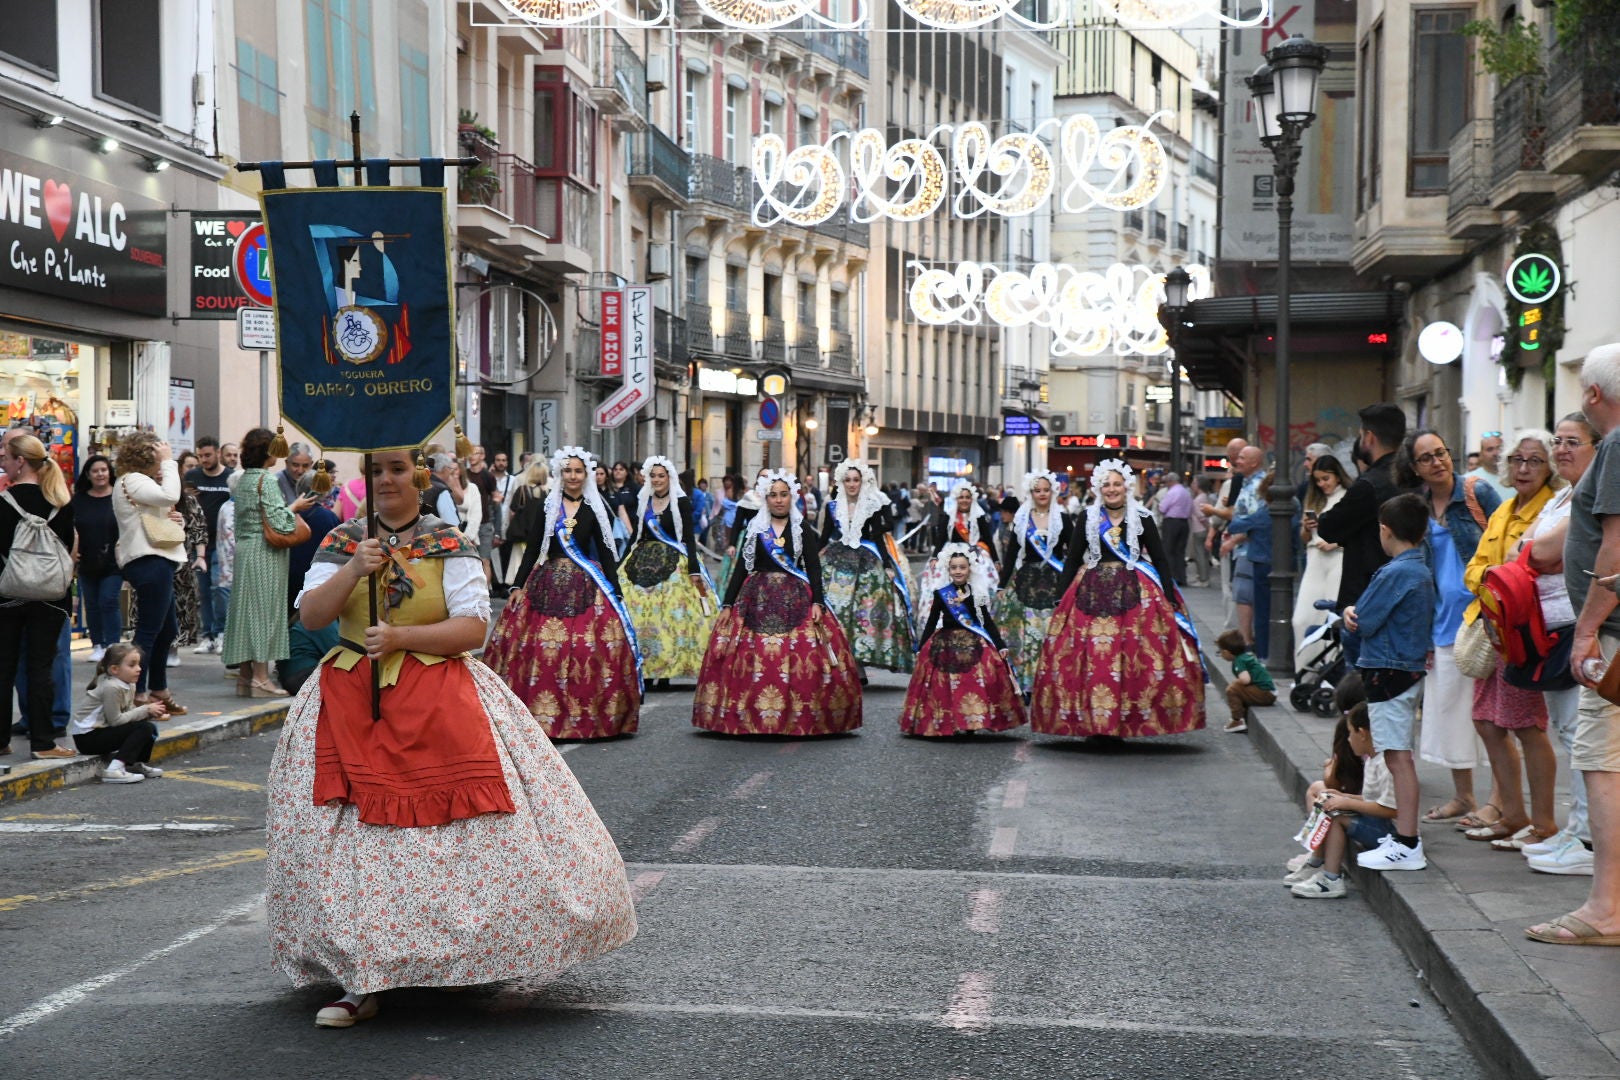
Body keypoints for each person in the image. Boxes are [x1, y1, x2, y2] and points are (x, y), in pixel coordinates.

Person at [273, 448, 637, 1027]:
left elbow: (472, 627)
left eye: (395, 470)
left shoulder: (448, 541)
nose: (385, 481)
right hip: (346, 701)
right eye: (375, 472)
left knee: (435, 841)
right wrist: (352, 571)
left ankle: (446, 959)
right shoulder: (344, 540)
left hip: (437, 700)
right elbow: (312, 617)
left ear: (416, 474)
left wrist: (398, 636)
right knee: (355, 848)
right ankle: (362, 977)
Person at [1532, 344, 1620, 945]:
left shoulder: (1614, 444)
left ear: (1593, 395)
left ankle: (1606, 909)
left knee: (1602, 764)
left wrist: (1586, 629)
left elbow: (1614, 548)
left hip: (1613, 636)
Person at [1029, 458, 1205, 739]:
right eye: (1106, 485)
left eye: (1116, 484)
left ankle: (1127, 719)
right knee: (1092, 660)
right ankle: (1094, 722)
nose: (1111, 489)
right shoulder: (1088, 517)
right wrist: (1060, 598)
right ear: (1099, 488)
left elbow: (1160, 557)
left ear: (1126, 486)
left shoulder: (1143, 517)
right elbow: (1073, 559)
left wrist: (1170, 597)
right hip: (1091, 591)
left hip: (1135, 593)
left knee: (1133, 655)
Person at [486, 447, 641, 740]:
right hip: (547, 582)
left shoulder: (594, 508)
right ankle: (538, 717)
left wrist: (615, 590)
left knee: (586, 648)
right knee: (543, 649)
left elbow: (607, 551)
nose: (573, 476)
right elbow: (533, 549)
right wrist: (518, 586)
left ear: (586, 475)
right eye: (568, 471)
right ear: (561, 473)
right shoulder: (547, 505)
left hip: (586, 582)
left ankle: (587, 715)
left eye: (578, 471)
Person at [693, 470, 862, 736]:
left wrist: (818, 601)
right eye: (773, 495)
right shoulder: (756, 528)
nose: (779, 500)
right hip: (756, 599)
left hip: (796, 597)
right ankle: (749, 715)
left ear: (791, 497)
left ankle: (799, 716)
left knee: (803, 656)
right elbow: (741, 569)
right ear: (766, 498)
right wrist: (727, 604)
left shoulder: (802, 527)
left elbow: (813, 567)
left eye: (784, 495)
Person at [1460, 429, 1561, 850]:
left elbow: (1522, 570)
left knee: (1526, 727)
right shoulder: (1504, 509)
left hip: (1522, 631)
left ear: (1549, 468)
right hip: (1491, 626)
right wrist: (1491, 581)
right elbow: (1477, 568)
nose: (1523, 468)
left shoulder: (1549, 510)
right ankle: (1512, 813)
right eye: (1518, 460)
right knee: (1486, 721)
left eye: (1535, 461)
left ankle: (1543, 824)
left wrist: (1494, 580)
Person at [1400, 429, 1503, 828]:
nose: (1437, 461)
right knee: (1449, 714)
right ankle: (1464, 796)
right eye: (1426, 457)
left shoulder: (1477, 493)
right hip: (1440, 623)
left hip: (1483, 620)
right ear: (1415, 467)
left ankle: (1498, 801)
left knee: (1491, 717)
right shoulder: (1418, 507)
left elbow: (1506, 542)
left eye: (1441, 452)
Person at [1522, 414, 1601, 875]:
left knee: (1581, 736)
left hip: (1575, 625)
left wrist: (1534, 551)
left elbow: (1540, 551)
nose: (1562, 449)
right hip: (1547, 629)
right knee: (1569, 733)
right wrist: (1533, 550)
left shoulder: (1590, 499)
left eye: (1574, 441)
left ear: (1597, 448)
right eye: (1559, 441)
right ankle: (1577, 830)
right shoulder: (1560, 496)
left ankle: (1589, 839)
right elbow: (1526, 546)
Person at [1343, 492, 1434, 872]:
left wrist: (1350, 612)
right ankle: (1404, 838)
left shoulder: (1396, 572)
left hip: (1389, 670)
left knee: (1397, 757)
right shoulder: (1421, 568)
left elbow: (1365, 620)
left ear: (1385, 530)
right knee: (1399, 756)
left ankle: (1407, 841)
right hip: (1404, 667)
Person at [0, 431, 76, 759]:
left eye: (5, 456)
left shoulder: (3, 503)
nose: (2, 461)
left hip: (8, 596)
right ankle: (43, 743)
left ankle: (0, 740)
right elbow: (71, 549)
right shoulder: (59, 502)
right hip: (50, 597)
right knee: (41, 668)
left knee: (3, 668)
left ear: (20, 462)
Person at [223, 427, 315, 699]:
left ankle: (245, 677)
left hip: (245, 550)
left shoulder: (245, 479)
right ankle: (262, 679)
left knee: (244, 614)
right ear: (267, 452)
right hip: (265, 554)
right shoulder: (267, 479)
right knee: (264, 613)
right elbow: (279, 521)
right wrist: (296, 507)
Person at [899, 543, 1025, 737]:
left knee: (977, 681)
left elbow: (988, 622)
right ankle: (947, 721)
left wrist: (1000, 645)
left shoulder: (978, 594)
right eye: (954, 567)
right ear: (948, 570)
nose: (958, 571)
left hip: (974, 642)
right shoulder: (941, 594)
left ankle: (972, 720)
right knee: (943, 685)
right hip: (945, 642)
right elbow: (932, 622)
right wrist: (922, 646)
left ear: (970, 569)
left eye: (962, 567)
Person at [1316, 404, 1407, 661]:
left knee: (1363, 685)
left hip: (1367, 599)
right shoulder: (1410, 477)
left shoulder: (1369, 484)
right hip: (1405, 594)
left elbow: (1329, 527)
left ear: (1369, 438)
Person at [618, 455, 714, 688]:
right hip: (642, 563)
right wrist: (619, 564)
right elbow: (636, 535)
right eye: (653, 476)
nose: (657, 480)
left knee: (671, 616)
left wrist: (693, 568)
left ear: (669, 478)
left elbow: (688, 537)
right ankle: (648, 670)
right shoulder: (645, 501)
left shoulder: (681, 502)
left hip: (674, 564)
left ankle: (668, 668)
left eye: (662, 476)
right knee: (642, 614)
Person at [111, 432, 186, 715]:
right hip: (149, 561)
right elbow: (171, 494)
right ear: (148, 455)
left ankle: (158, 689)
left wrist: (170, 516)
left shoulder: (136, 482)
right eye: (160, 453)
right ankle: (138, 694)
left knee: (166, 630)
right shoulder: (133, 480)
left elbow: (159, 508)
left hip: (154, 560)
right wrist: (169, 463)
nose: (164, 458)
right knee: (149, 631)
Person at [1290, 703, 1398, 899]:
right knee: (1330, 803)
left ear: (1363, 733)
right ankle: (1316, 861)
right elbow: (1371, 799)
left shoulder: (1386, 764)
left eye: (1350, 733)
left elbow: (1392, 810)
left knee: (1337, 816)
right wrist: (1344, 797)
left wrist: (1346, 804)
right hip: (1377, 824)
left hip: (1387, 834)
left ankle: (1330, 879)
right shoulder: (1374, 759)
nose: (1348, 739)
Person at [819, 459, 915, 678]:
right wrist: (812, 559)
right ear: (842, 482)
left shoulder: (872, 505)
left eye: (856, 480)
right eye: (848, 480)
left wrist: (888, 566)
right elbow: (824, 537)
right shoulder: (832, 506)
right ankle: (839, 660)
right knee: (838, 610)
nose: (852, 484)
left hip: (867, 560)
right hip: (837, 560)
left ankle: (858, 662)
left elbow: (878, 539)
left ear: (862, 482)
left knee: (863, 611)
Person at [994, 471, 1072, 700]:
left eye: (1046, 490)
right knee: (1026, 633)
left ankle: (1052, 683)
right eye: (1037, 490)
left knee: (1050, 632)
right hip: (1026, 582)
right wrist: (1001, 586)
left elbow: (1075, 552)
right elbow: (1011, 555)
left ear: (1053, 491)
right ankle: (1026, 684)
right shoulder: (1021, 518)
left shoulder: (1063, 519)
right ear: (1031, 493)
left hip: (1055, 582)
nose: (1042, 494)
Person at [68, 643, 166, 783]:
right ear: (114, 669)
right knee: (144, 728)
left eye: (139, 664)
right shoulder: (111, 687)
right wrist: (144, 709)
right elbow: (115, 720)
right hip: (88, 738)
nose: (139, 669)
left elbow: (129, 712)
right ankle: (114, 770)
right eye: (132, 665)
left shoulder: (129, 684)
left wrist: (148, 713)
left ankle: (136, 764)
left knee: (146, 725)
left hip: (103, 731)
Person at [1221, 446, 1284, 658]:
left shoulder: (1258, 486)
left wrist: (1233, 537)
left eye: (1241, 457)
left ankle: (1251, 645)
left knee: (1246, 596)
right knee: (1248, 596)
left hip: (1253, 551)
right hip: (1249, 550)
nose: (1236, 460)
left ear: (1254, 462)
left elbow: (1254, 522)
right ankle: (1251, 643)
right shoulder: (1247, 483)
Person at [1292, 454, 1351, 666]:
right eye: (1318, 480)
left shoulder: (1348, 497)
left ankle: (1331, 671)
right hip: (1314, 559)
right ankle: (1305, 671)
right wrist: (1307, 529)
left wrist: (1336, 543)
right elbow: (1304, 537)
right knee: (1301, 619)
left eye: (1326, 478)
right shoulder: (1314, 499)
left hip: (1338, 559)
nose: (1322, 484)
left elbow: (1357, 533)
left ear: (1337, 476)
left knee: (1332, 620)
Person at [918, 481, 998, 626]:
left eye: (967, 497)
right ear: (956, 499)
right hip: (952, 554)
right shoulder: (949, 516)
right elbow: (941, 538)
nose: (964, 500)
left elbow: (988, 539)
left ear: (972, 499)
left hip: (974, 554)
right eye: (961, 497)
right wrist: (935, 556)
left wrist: (996, 560)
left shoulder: (979, 516)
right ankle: (946, 618)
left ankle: (978, 617)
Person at [185, 436, 234, 654]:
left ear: (217, 453)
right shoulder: (192, 477)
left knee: (219, 588)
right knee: (203, 591)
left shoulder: (230, 478)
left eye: (207, 455)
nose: (203, 460)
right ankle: (208, 636)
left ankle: (222, 632)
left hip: (223, 544)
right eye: (200, 456)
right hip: (198, 543)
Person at [72, 455, 122, 663]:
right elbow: (71, 527)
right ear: (88, 475)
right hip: (87, 559)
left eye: (104, 469)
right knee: (91, 604)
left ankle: (113, 645)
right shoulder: (79, 500)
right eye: (95, 471)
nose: (100, 474)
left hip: (114, 560)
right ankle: (98, 644)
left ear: (110, 472)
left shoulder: (119, 497)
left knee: (108, 600)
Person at [1217, 628, 1275, 735]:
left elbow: (1245, 679)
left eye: (1220, 652)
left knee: (1232, 689)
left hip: (1264, 694)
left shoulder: (1239, 661)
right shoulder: (1245, 656)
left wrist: (1237, 682)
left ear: (1226, 652)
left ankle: (1237, 720)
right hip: (1269, 691)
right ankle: (1241, 714)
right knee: (1238, 688)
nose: (1221, 655)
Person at [1156, 471, 1193, 585]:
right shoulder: (1186, 492)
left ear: (1171, 481)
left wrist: (1158, 505)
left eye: (1167, 482)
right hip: (1184, 522)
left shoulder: (1172, 492)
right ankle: (1182, 577)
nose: (1166, 484)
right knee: (1180, 551)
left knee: (1169, 550)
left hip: (1171, 522)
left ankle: (1171, 577)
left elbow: (1162, 508)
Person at [1466, 431, 1514, 500]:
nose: (1496, 453)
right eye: (1490, 449)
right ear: (1481, 454)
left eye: (1500, 448)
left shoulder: (1517, 478)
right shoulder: (1468, 480)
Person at [1188, 478, 1214, 586]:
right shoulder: (1205, 497)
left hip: (1199, 529)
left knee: (1200, 555)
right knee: (1204, 554)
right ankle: (1203, 577)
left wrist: (1208, 528)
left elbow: (1201, 517)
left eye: (1194, 483)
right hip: (1203, 529)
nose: (1192, 485)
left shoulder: (1198, 499)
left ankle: (1203, 579)